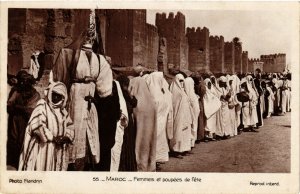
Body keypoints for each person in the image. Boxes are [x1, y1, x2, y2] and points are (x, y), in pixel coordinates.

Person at [52, 10, 113, 170]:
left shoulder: (93, 59)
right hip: (79, 97)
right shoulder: (93, 59)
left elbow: (104, 88)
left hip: (84, 98)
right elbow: (105, 89)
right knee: (78, 128)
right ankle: (74, 162)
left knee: (86, 128)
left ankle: (81, 161)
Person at [19, 81, 74, 171]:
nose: (55, 97)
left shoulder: (63, 111)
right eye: (54, 94)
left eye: (58, 95)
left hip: (58, 149)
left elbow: (70, 126)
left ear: (63, 98)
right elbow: (37, 125)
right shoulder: (42, 105)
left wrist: (66, 137)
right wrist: (53, 138)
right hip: (42, 147)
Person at [7, 71, 41, 170]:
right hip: (16, 121)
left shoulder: (35, 94)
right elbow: (9, 105)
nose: (22, 84)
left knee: (26, 141)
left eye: (25, 81)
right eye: (21, 81)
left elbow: (32, 110)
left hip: (28, 122)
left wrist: (18, 107)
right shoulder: (16, 91)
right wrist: (16, 107)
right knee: (15, 141)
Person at [145, 72, 173, 170]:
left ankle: (155, 162)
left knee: (158, 142)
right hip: (156, 122)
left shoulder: (156, 92)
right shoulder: (156, 94)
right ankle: (153, 162)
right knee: (155, 142)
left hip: (160, 122)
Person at [129, 76, 157, 171]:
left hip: (139, 135)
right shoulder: (152, 101)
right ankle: (150, 166)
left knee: (139, 148)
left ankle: (139, 166)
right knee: (149, 148)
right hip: (149, 134)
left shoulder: (136, 102)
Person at [117, 75, 138, 171]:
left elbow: (134, 102)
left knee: (127, 145)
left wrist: (128, 92)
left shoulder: (124, 94)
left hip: (128, 123)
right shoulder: (119, 94)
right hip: (123, 122)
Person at [169, 74, 193, 158]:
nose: (182, 83)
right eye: (180, 81)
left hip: (185, 114)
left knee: (186, 132)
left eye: (183, 81)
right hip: (178, 115)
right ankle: (176, 151)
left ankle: (185, 149)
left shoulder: (183, 90)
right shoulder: (175, 91)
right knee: (178, 132)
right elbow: (174, 104)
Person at [184, 77, 200, 148]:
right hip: (192, 115)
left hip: (190, 115)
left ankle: (190, 143)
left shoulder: (186, 94)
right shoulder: (193, 95)